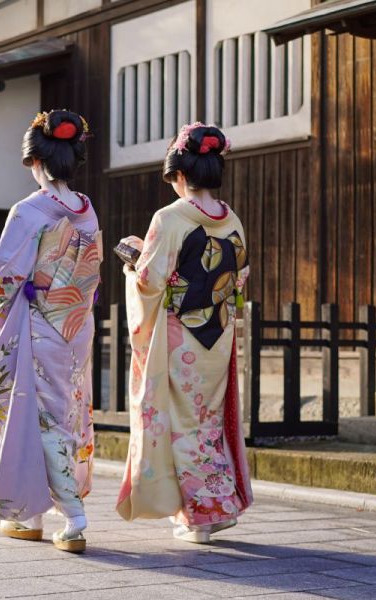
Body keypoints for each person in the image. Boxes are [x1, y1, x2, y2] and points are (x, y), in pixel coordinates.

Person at [115, 123, 253, 544]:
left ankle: (202, 515)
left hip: (181, 335)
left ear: (179, 176)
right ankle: (217, 503)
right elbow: (239, 278)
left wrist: (132, 262)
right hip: (219, 331)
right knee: (206, 420)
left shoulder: (170, 217)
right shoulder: (233, 221)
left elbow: (151, 283)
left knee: (183, 421)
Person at [0, 109, 102, 554]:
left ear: (36, 163)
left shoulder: (28, 210)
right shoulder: (86, 209)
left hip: (38, 328)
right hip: (75, 324)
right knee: (65, 412)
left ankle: (73, 516)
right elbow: (76, 270)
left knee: (38, 418)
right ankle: (28, 514)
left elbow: (7, 281)